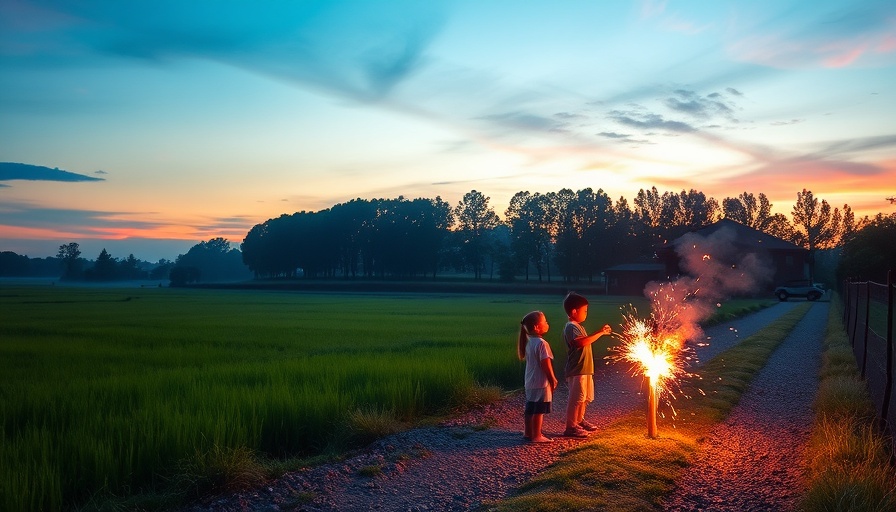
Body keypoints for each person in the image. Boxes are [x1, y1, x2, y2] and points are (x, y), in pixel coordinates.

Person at [562, 292, 612, 438]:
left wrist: (600, 333)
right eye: (584, 311)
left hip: (585, 369)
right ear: (574, 311)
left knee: (584, 397)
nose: (586, 314)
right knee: (576, 397)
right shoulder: (571, 327)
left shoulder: (578, 326)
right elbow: (580, 342)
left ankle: (579, 421)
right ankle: (570, 427)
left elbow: (585, 340)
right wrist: (600, 332)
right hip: (577, 369)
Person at [518, 310, 559, 443]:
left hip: (530, 382)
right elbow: (545, 364)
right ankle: (537, 436)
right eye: (545, 322)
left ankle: (528, 433)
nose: (547, 324)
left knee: (530, 407)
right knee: (539, 410)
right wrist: (552, 379)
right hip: (541, 382)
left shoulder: (529, 342)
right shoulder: (542, 343)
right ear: (536, 327)